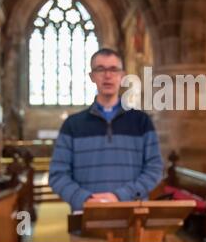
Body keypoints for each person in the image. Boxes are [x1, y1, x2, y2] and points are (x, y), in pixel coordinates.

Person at [49, 48, 163, 211]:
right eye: (100, 69)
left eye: (113, 69)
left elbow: (154, 169)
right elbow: (57, 175)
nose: (107, 75)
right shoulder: (72, 125)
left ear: (122, 76)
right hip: (86, 217)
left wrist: (121, 196)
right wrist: (86, 199)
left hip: (131, 217)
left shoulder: (141, 122)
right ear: (92, 76)